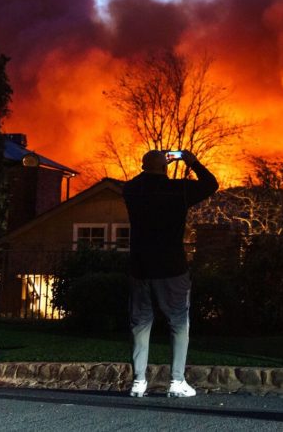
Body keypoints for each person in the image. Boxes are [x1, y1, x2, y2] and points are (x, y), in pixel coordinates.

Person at [123, 149, 218, 398]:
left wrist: (155, 161)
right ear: (165, 166)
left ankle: (138, 381)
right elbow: (211, 184)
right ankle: (176, 381)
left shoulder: (132, 190)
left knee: (140, 323)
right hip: (171, 267)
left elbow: (138, 180)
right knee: (178, 322)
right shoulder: (179, 190)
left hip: (140, 267)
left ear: (144, 166)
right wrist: (191, 161)